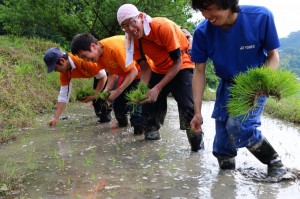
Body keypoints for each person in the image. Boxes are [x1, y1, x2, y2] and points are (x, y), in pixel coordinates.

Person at [190, 0, 287, 177]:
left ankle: (275, 164)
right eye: (202, 10)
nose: (206, 16)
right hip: (226, 84)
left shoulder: (260, 17)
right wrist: (197, 111)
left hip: (254, 83)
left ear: (226, 3)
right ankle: (226, 181)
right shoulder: (202, 32)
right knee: (221, 145)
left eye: (210, 9)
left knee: (239, 125)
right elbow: (199, 72)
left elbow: (273, 56)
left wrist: (260, 84)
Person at [117, 4, 204, 152]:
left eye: (132, 22)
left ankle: (197, 146)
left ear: (141, 17)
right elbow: (145, 68)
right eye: (125, 26)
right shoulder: (133, 40)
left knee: (188, 107)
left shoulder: (162, 26)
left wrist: (157, 88)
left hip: (182, 65)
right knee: (148, 105)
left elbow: (178, 62)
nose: (130, 29)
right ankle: (150, 147)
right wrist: (141, 90)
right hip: (158, 69)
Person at [71, 34, 145, 135]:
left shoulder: (114, 49)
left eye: (84, 56)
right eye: (82, 58)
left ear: (93, 46)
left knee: (135, 109)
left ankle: (141, 138)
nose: (86, 60)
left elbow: (134, 72)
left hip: (143, 73)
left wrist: (118, 91)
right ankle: (122, 134)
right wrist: (106, 91)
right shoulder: (98, 56)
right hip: (127, 75)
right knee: (118, 107)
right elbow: (112, 74)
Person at [43, 47, 111, 127]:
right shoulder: (64, 74)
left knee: (103, 101)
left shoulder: (82, 60)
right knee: (97, 105)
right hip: (98, 75)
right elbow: (63, 96)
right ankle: (103, 121)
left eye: (55, 68)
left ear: (62, 61)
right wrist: (55, 118)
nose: (55, 71)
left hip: (110, 71)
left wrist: (95, 95)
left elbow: (103, 76)